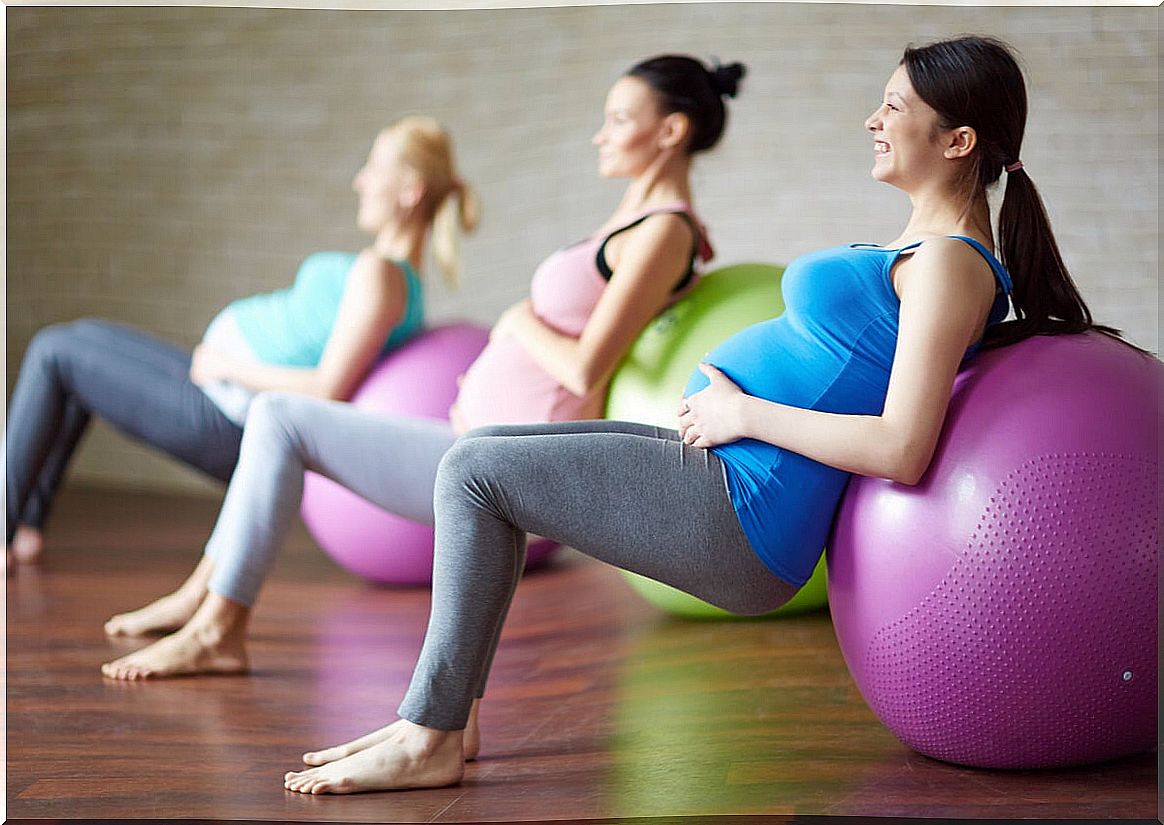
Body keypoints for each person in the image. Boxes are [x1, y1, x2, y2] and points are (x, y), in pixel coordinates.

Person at [279, 35, 1127, 796]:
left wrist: (743, 411)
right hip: (724, 476)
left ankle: (428, 733)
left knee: (472, 470)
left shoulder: (950, 265)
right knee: (484, 452)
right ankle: (447, 716)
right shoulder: (920, 250)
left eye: (895, 106)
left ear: (958, 140)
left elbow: (902, 446)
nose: (873, 119)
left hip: (742, 511)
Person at [99, 54, 745, 685]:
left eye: (619, 118)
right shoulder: (644, 224)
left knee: (277, 415)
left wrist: (517, 321)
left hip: (510, 463)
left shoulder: (664, 230)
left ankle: (217, 626)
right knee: (279, 419)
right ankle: (208, 606)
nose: (600, 133)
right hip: (476, 444)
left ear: (671, 130)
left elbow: (584, 368)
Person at [5, 116, 477, 571]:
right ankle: (25, 524)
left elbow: (328, 387)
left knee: (54, 352)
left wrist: (228, 367)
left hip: (228, 416)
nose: (360, 181)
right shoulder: (396, 278)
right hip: (223, 391)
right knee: (79, 337)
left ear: (410, 191)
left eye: (374, 168)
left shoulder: (382, 277)